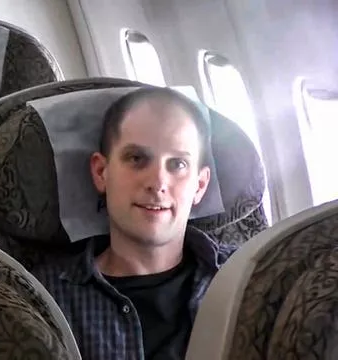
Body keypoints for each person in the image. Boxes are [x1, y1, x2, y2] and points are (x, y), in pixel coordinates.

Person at [32, 87, 238, 360]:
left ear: (199, 185)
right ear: (101, 172)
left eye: (177, 164)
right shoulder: (43, 298)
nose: (158, 183)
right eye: (137, 159)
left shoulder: (244, 280)